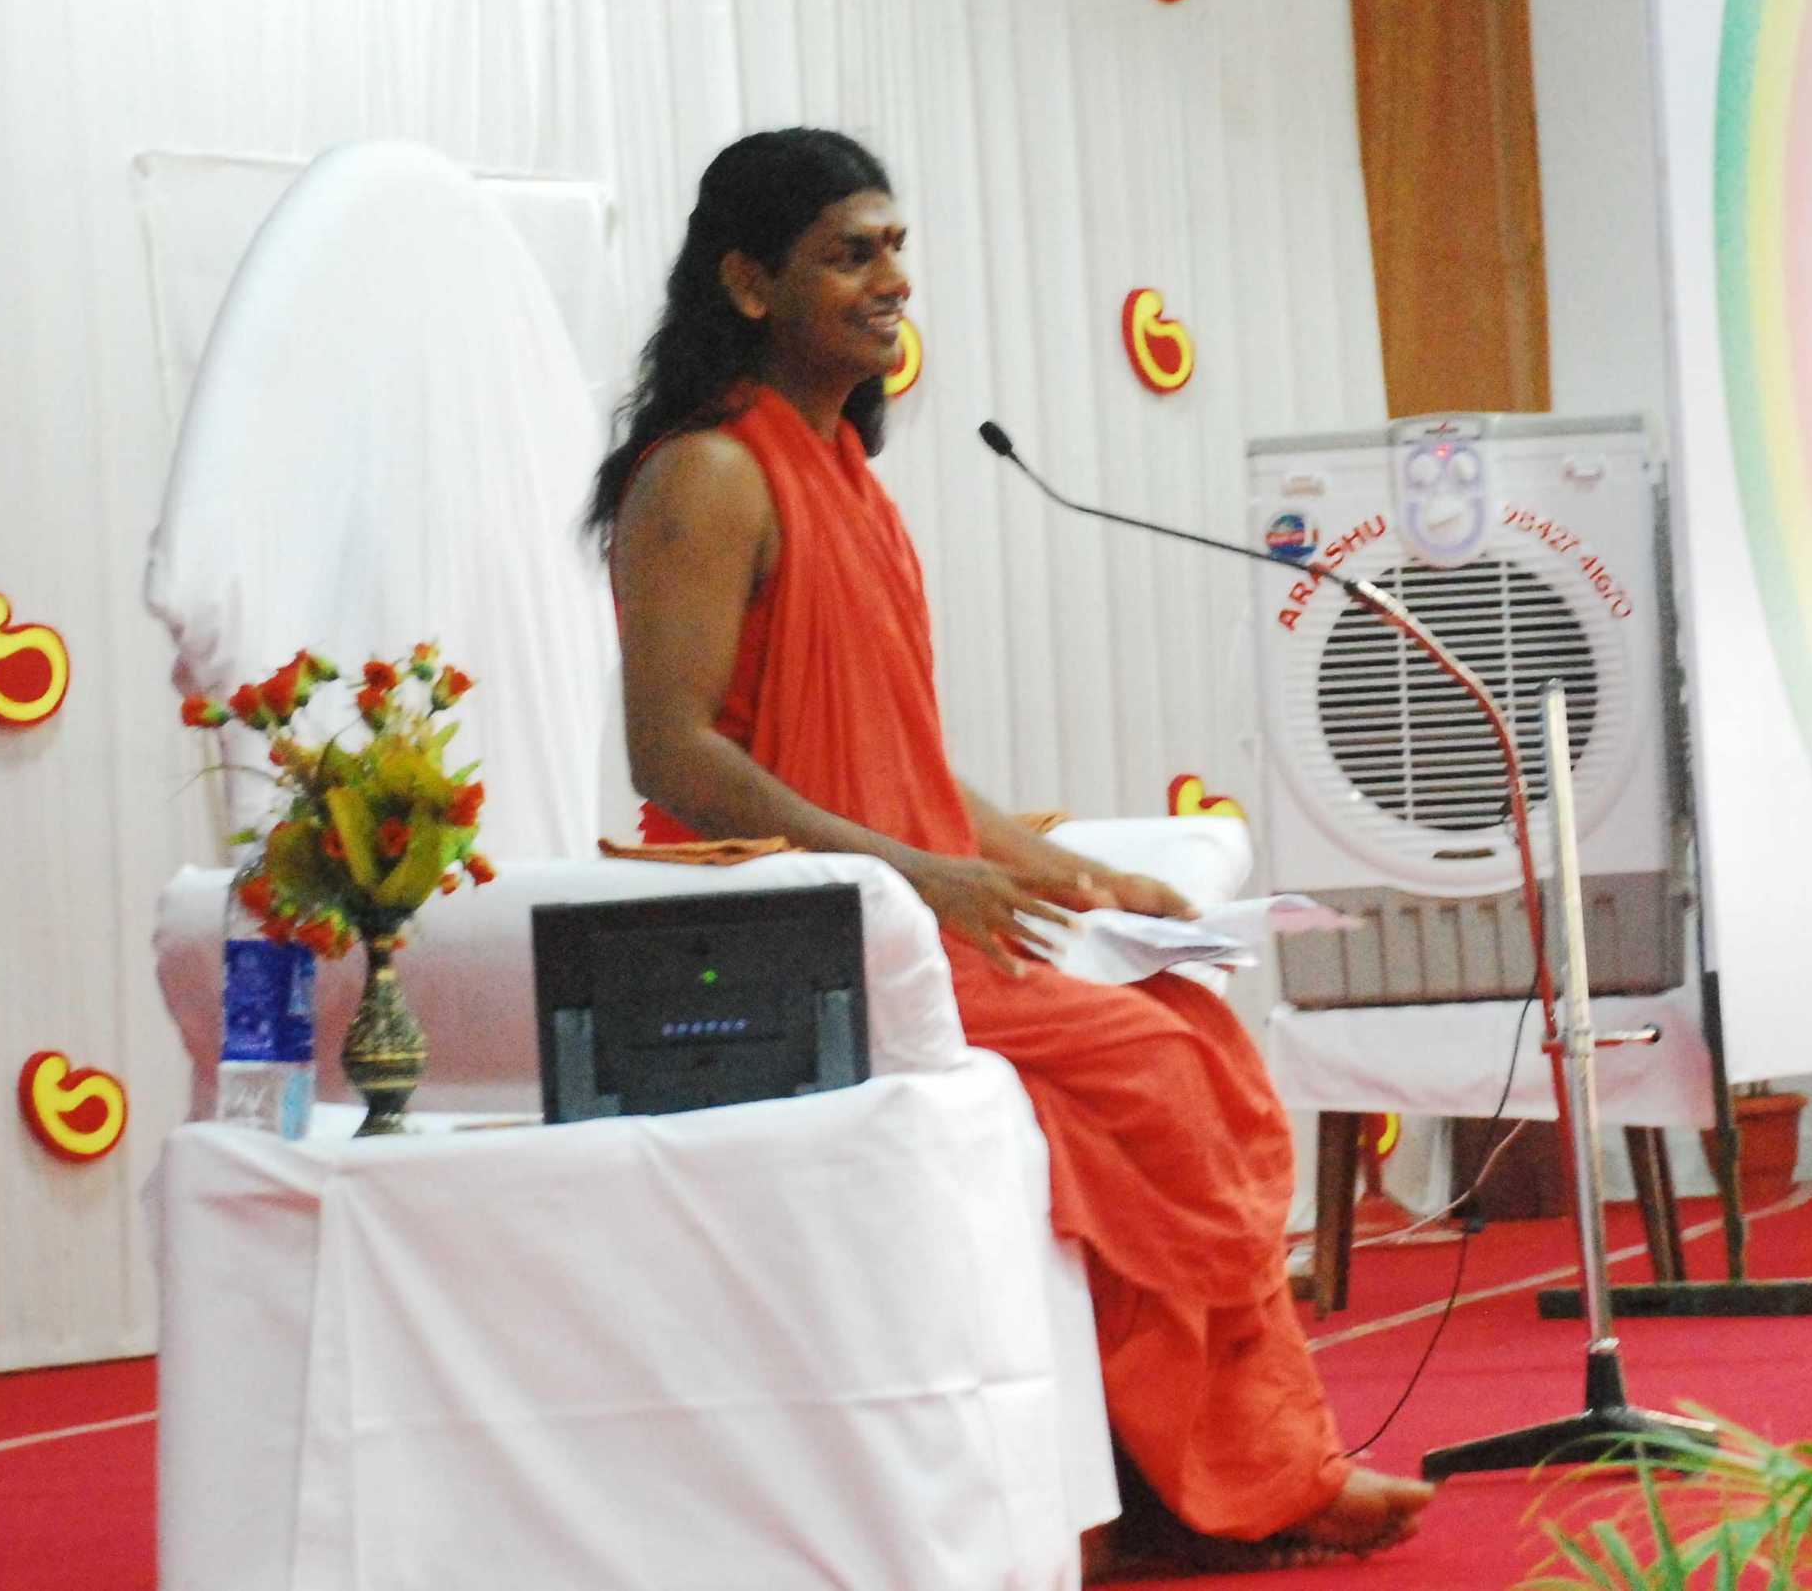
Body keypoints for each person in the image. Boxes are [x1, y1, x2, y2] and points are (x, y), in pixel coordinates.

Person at [590, 129, 1434, 1572]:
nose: (892, 280)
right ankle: (1212, 1484)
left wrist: (1068, 873)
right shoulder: (708, 476)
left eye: (896, 247)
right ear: (747, 281)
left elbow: (903, 762)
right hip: (799, 930)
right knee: (1153, 1073)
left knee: (1191, 1028)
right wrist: (918, 876)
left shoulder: (846, 475)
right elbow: (674, 757)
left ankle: (1213, 1471)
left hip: (894, 907)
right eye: (849, 254)